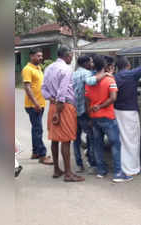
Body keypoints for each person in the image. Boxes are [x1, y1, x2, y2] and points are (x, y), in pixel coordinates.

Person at [85, 55, 133, 183]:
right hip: (107, 117)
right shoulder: (110, 80)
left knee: (98, 144)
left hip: (94, 118)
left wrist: (91, 112)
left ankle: (101, 171)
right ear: (105, 66)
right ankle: (118, 173)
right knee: (115, 144)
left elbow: (87, 99)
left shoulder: (90, 81)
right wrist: (100, 106)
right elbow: (113, 98)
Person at [41, 46, 85, 182]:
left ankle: (56, 169)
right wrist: (59, 111)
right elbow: (62, 91)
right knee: (66, 140)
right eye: (71, 55)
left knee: (55, 138)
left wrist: (51, 99)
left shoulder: (48, 68)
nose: (72, 58)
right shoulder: (66, 69)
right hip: (63, 106)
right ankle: (68, 174)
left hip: (53, 104)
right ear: (67, 55)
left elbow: (43, 89)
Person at [113, 40, 141, 176]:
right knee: (131, 142)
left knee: (122, 140)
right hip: (129, 113)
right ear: (128, 65)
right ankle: (130, 169)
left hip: (117, 112)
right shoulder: (131, 75)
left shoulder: (114, 77)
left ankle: (123, 167)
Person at [72, 55, 107, 173]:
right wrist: (105, 74)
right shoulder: (86, 73)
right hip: (84, 111)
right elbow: (91, 81)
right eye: (90, 62)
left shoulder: (74, 73)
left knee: (76, 139)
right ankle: (92, 164)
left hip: (73, 110)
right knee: (91, 137)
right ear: (85, 63)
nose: (92, 64)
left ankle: (79, 164)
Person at [22, 48, 53, 165]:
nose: (41, 58)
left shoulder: (39, 68)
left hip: (40, 104)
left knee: (36, 129)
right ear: (31, 56)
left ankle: (35, 152)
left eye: (41, 56)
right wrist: (35, 103)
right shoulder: (27, 69)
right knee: (38, 130)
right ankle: (42, 155)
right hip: (33, 105)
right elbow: (27, 87)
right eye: (38, 56)